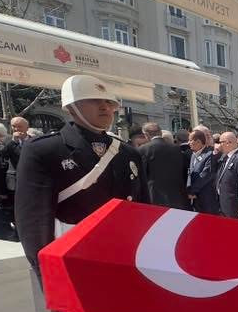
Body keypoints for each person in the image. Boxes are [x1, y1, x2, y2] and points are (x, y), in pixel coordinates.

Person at [15, 74, 145, 279]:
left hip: (125, 254)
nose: (105, 107)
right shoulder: (45, 150)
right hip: (75, 259)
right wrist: (48, 274)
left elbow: (142, 209)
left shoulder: (128, 153)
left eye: (109, 102)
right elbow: (34, 220)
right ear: (71, 107)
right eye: (94, 100)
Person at [139, 122, 189, 209]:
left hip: (154, 197)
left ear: (146, 135)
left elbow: (142, 175)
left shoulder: (143, 149)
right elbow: (184, 172)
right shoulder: (176, 148)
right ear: (160, 132)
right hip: (178, 197)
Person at [186, 130, 219, 214]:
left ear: (198, 141)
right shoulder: (193, 155)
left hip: (207, 199)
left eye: (190, 140)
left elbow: (205, 175)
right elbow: (190, 173)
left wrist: (192, 191)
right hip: (195, 199)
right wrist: (189, 190)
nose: (188, 143)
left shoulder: (210, 154)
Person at [216, 132, 238, 219]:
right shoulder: (225, 157)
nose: (219, 145)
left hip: (233, 204)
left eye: (221, 142)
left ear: (228, 143)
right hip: (223, 202)